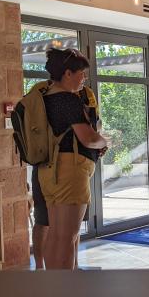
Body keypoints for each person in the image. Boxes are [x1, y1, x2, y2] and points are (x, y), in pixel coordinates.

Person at [38, 48, 108, 269]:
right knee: (68, 237)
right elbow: (87, 138)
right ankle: (64, 295)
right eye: (81, 73)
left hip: (50, 170)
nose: (84, 78)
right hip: (70, 170)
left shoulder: (45, 97)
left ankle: (52, 288)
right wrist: (104, 142)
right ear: (67, 73)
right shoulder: (68, 100)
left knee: (56, 235)